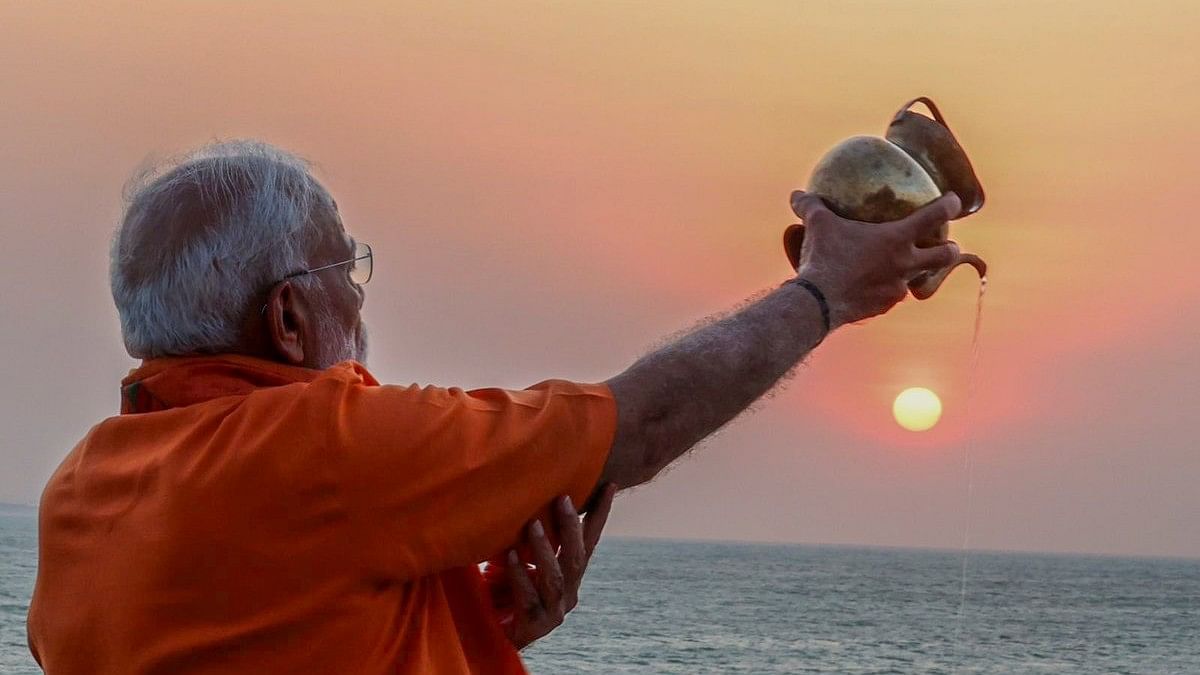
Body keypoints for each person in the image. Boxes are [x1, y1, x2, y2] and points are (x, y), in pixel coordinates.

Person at [27, 141, 964, 674]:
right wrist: (824, 293)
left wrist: (466, 615)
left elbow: (259, 626)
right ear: (287, 318)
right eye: (344, 267)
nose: (361, 296)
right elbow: (634, 426)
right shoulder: (321, 442)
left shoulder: (82, 494)